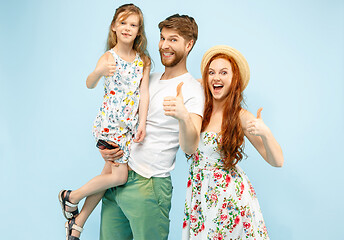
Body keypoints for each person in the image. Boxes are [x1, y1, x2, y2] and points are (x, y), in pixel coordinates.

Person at [98, 14, 204, 240]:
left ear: (189, 44)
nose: (164, 45)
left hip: (149, 185)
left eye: (173, 40)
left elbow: (191, 146)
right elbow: (119, 115)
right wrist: (108, 149)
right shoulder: (148, 76)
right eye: (162, 38)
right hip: (119, 177)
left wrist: (183, 116)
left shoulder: (193, 89)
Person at [58, 4, 150, 240]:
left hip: (128, 129)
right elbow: (89, 83)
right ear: (114, 27)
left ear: (139, 30)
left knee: (107, 175)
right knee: (119, 177)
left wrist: (142, 124)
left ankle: (77, 223)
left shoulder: (143, 61)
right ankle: (72, 196)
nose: (127, 28)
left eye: (133, 24)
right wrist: (99, 71)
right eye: (123, 23)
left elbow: (145, 93)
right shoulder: (109, 57)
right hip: (110, 125)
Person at [182, 45, 284, 239]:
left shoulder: (240, 116)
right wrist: (206, 81)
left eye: (223, 72)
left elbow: (277, 161)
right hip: (199, 196)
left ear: (234, 79)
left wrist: (266, 133)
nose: (216, 77)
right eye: (211, 72)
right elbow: (188, 84)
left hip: (229, 201)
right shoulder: (200, 109)